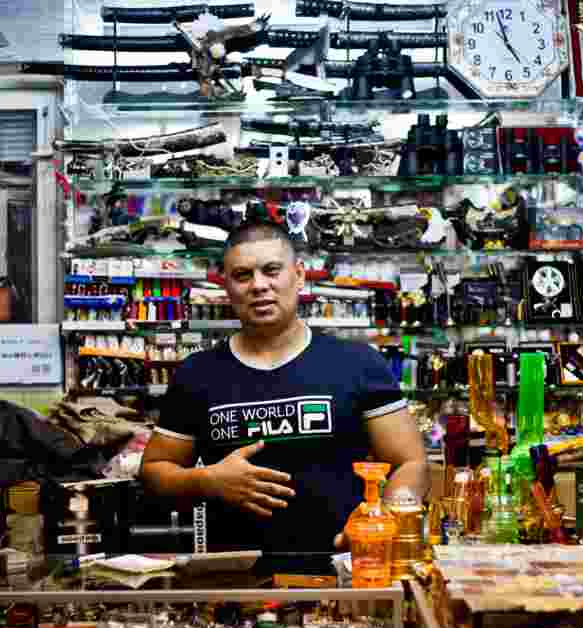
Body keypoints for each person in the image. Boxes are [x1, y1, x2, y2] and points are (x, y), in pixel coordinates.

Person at [140, 220, 428, 553]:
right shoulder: (197, 373)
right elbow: (153, 473)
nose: (258, 285)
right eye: (242, 275)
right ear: (226, 287)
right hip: (236, 579)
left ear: (300, 276)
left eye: (272, 270)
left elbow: (411, 463)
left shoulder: (359, 364)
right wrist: (206, 481)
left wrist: (384, 518)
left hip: (343, 574)